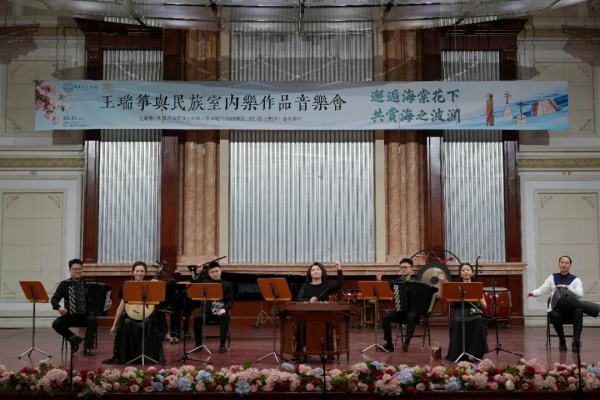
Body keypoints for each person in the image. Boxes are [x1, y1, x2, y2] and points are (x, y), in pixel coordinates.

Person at [527, 255, 600, 352]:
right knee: (553, 314)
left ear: (570, 265)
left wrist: (568, 287)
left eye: (566, 263)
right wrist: (532, 293)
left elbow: (580, 294)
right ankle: (562, 340)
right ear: (559, 264)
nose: (564, 265)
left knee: (578, 311)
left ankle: (576, 341)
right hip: (557, 311)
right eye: (562, 262)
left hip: (571, 311)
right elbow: (542, 289)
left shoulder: (576, 280)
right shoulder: (552, 277)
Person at [103, 261, 165, 364]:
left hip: (146, 316)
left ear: (145, 273)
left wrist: (155, 287)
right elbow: (121, 306)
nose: (139, 273)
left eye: (142, 271)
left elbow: (157, 302)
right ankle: (128, 356)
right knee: (127, 323)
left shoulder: (150, 286)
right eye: (137, 271)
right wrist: (114, 325)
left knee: (150, 322)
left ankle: (148, 357)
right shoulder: (126, 286)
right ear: (133, 272)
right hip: (130, 316)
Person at [51, 259, 109, 355]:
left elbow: (101, 298)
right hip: (70, 316)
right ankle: (73, 338)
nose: (77, 271)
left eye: (80, 269)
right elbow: (54, 299)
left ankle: (88, 347)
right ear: (70, 270)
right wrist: (59, 307)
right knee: (56, 324)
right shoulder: (64, 284)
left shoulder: (89, 283)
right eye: (75, 269)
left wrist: (107, 303)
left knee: (92, 319)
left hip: (86, 317)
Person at [295, 261, 343, 356]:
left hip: (323, 315)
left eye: (318, 269)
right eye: (313, 270)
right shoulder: (305, 286)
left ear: (322, 272)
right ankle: (302, 351)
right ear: (310, 273)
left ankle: (327, 351)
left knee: (328, 322)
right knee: (301, 322)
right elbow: (299, 298)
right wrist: (309, 300)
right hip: (307, 315)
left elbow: (340, 284)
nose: (315, 271)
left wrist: (339, 268)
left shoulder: (327, 286)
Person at [443, 262, 489, 361]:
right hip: (460, 312)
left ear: (472, 273)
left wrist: (479, 295)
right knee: (457, 321)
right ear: (460, 274)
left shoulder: (477, 287)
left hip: (474, 312)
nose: (466, 272)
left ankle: (474, 353)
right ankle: (459, 353)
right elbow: (450, 301)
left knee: (479, 320)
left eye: (468, 270)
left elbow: (484, 306)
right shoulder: (456, 287)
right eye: (463, 270)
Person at [376, 258, 419, 352]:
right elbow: (384, 293)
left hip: (414, 314)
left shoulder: (417, 283)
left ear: (411, 269)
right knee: (386, 317)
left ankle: (406, 343)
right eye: (401, 267)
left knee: (411, 316)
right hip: (400, 312)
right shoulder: (395, 282)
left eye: (405, 267)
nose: (403, 269)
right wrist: (379, 281)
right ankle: (389, 345)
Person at [192, 261, 234, 354]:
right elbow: (194, 284)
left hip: (220, 312)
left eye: (217, 271)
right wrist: (198, 272)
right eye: (212, 272)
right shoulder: (205, 282)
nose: (215, 274)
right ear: (209, 273)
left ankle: (222, 345)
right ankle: (198, 344)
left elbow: (230, 300)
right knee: (197, 318)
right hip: (206, 312)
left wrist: (224, 309)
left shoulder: (227, 285)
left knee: (224, 317)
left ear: (220, 271)